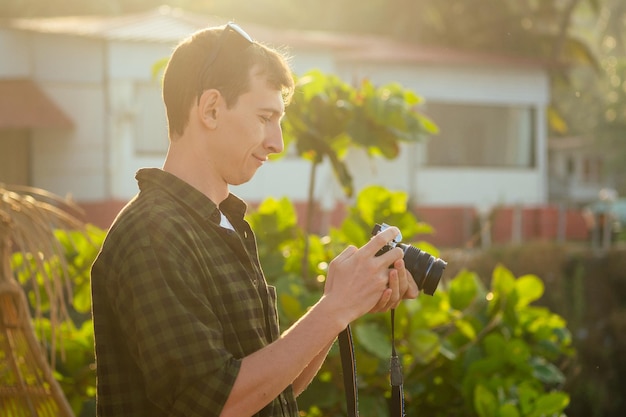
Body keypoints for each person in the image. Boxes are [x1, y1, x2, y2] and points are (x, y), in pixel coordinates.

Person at [90, 22, 418, 417]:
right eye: (265, 117)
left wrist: (339, 305)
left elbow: (271, 391)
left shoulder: (224, 226)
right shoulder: (152, 234)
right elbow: (217, 402)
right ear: (211, 109)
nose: (276, 142)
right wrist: (333, 309)